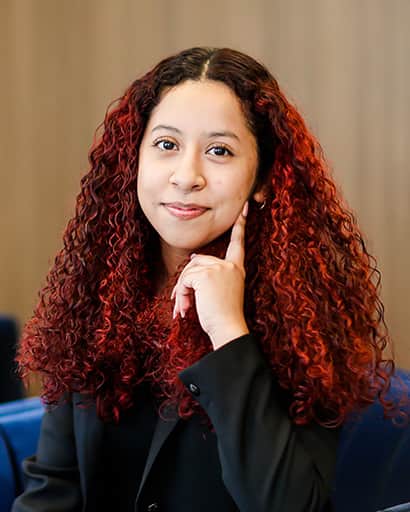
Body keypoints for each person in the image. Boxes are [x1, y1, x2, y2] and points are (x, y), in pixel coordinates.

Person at [12, 46, 400, 512]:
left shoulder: (302, 319)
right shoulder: (95, 297)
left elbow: (288, 505)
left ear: (262, 180)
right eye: (167, 145)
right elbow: (54, 492)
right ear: (134, 159)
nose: (186, 175)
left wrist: (229, 334)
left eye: (219, 151)